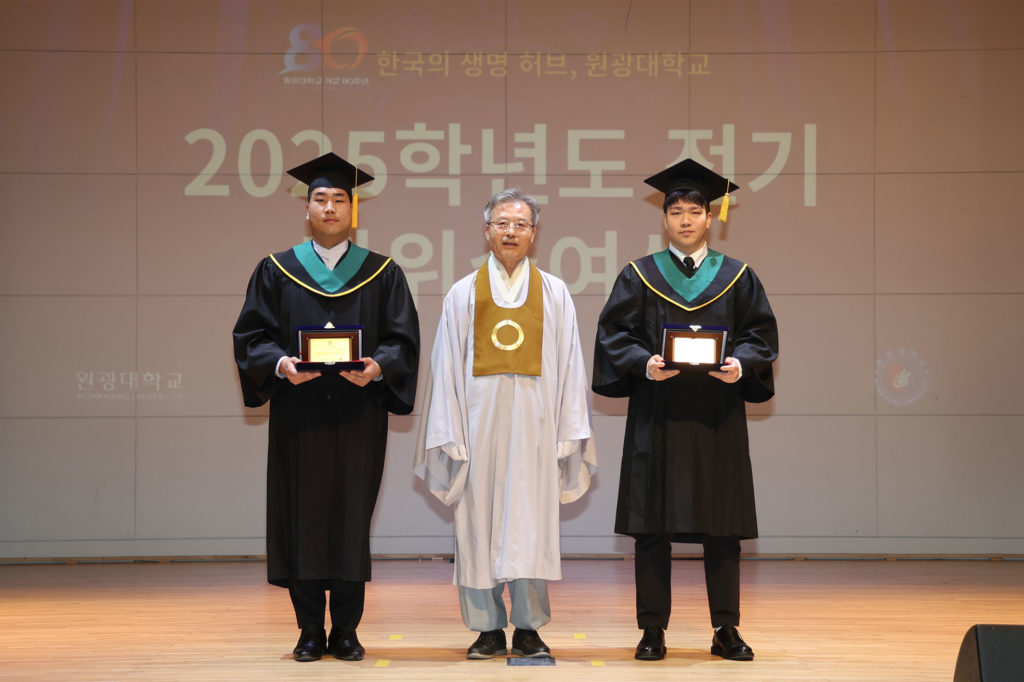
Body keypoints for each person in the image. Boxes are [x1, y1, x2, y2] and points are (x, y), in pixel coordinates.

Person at [232, 152, 420, 662]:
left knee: (351, 517)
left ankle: (348, 630)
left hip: (359, 413)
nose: (330, 207)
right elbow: (251, 337)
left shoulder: (382, 272)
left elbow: (402, 340)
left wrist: (377, 367)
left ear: (353, 209)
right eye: (321, 198)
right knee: (303, 516)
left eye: (340, 199)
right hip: (300, 413)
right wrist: (281, 365)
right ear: (307, 208)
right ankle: (310, 630)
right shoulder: (276, 270)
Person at [592, 159, 779, 662]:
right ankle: (652, 629)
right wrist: (643, 363)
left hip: (717, 415)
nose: (686, 220)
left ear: (711, 217)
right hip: (658, 414)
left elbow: (760, 336)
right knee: (652, 526)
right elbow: (614, 336)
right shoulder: (639, 275)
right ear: (664, 219)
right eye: (676, 212)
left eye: (695, 211)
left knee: (723, 526)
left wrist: (740, 365)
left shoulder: (738, 277)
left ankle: (726, 628)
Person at [414, 188, 598, 660]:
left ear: (534, 233)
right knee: (475, 528)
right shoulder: (462, 294)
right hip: (478, 432)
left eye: (520, 224)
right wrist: (449, 431)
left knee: (531, 527)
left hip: (537, 432)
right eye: (502, 223)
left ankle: (529, 628)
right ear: (486, 231)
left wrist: (568, 430)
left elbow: (571, 365)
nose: (511, 232)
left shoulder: (554, 293)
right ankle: (487, 628)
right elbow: (445, 368)